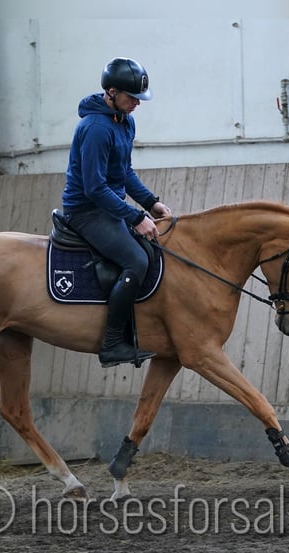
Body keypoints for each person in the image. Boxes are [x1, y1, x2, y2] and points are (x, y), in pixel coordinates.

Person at [62, 57, 172, 368]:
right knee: (136, 260)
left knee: (151, 253)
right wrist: (136, 217)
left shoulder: (124, 121)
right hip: (85, 210)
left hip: (106, 205)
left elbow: (123, 172)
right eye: (131, 97)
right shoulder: (96, 128)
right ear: (111, 92)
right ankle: (111, 344)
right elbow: (95, 187)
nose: (137, 103)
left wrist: (151, 203)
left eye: (139, 98)